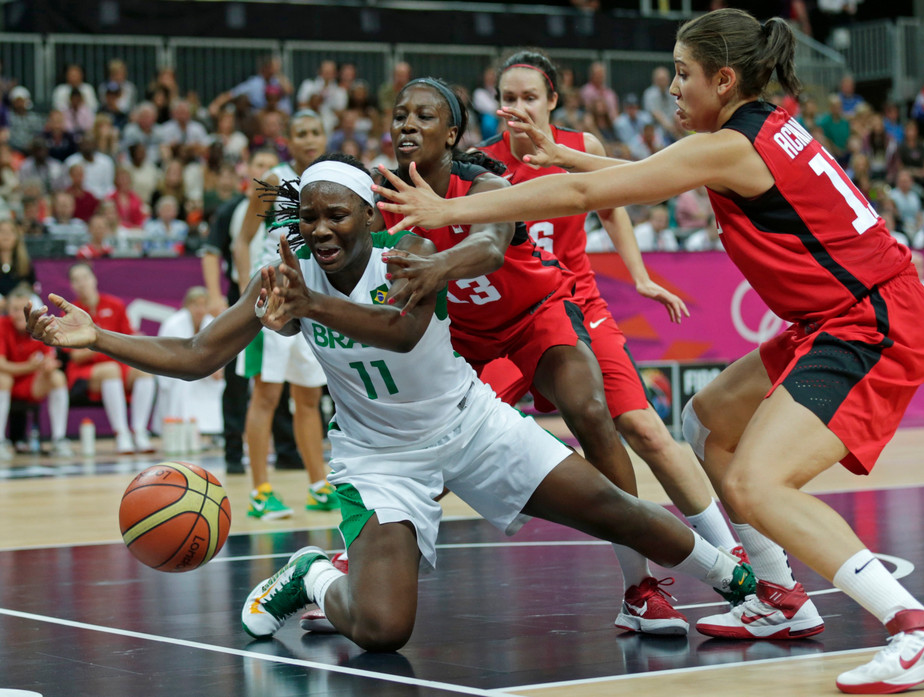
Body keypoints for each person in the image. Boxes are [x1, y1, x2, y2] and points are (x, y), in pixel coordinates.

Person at [375, 9, 924, 693]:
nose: (671, 87)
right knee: (707, 421)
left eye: (682, 73)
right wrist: (565, 155)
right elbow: (647, 173)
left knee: (757, 482)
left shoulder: (730, 145)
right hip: (833, 315)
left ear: (723, 80)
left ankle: (917, 626)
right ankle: (780, 597)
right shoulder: (753, 132)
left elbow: (590, 193)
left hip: (871, 319)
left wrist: (450, 211)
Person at [25, 153, 754, 651]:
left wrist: (310, 305)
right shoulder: (285, 274)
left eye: (337, 215)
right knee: (382, 629)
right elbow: (196, 354)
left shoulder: (411, 256)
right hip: (378, 458)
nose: (320, 229)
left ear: (370, 217)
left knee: (614, 508)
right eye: (310, 216)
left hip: (471, 426)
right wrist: (98, 337)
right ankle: (313, 574)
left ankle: (743, 583)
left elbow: (401, 332)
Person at [376, 77, 745, 635]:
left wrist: (434, 266)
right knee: (431, 457)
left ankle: (640, 588)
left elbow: (489, 246)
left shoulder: (483, 182)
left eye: (423, 116)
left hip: (537, 314)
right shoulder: (379, 194)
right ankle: (352, 570)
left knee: (593, 411)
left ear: (451, 133)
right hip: (467, 342)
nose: (407, 124)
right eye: (400, 114)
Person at [475, 51, 743, 568]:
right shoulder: (480, 164)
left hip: (577, 304)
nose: (518, 108)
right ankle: (361, 552)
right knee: (447, 433)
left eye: (530, 97)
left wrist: (639, 276)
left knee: (646, 430)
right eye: (508, 98)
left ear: (552, 100)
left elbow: (613, 209)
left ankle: (731, 553)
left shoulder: (581, 148)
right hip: (510, 321)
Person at [232, 110, 335, 519]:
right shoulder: (273, 180)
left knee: (308, 398)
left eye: (315, 131)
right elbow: (242, 241)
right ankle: (260, 492)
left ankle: (318, 485)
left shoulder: (329, 180)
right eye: (301, 133)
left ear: (324, 136)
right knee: (266, 396)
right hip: (270, 300)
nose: (309, 139)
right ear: (288, 141)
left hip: (307, 300)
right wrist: (247, 297)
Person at [65, 262, 156, 453]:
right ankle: (121, 433)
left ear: (94, 279)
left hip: (118, 365)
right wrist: (104, 345)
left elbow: (128, 342)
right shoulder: (70, 312)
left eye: (85, 277)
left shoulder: (115, 305)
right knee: (111, 370)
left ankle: (139, 431)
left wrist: (133, 340)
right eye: (76, 280)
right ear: (71, 285)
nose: (82, 283)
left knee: (144, 372)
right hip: (85, 372)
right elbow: (76, 356)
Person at [0, 288, 72, 459]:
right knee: (3, 379)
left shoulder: (40, 326)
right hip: (8, 383)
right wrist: (30, 366)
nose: (19, 314)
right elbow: (1, 365)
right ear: (8, 310)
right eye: (15, 309)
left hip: (33, 385)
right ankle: (1, 441)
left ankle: (59, 439)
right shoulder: (2, 325)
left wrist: (48, 366)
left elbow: (50, 359)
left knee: (57, 377)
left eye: (23, 309)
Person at [154, 287, 224, 436]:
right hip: (176, 373)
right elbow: (167, 354)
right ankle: (182, 428)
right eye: (196, 305)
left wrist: (217, 368)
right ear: (187, 305)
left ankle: (212, 430)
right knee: (184, 383)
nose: (200, 309)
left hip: (205, 374)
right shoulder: (173, 324)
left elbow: (219, 353)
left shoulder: (213, 324)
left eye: (204, 305)